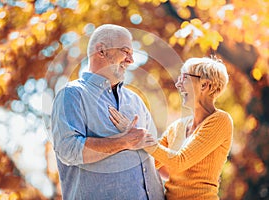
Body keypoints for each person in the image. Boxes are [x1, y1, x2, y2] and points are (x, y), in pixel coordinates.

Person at [50, 24, 164, 200]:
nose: (131, 60)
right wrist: (123, 141)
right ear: (101, 51)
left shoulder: (136, 101)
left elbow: (156, 158)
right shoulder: (72, 94)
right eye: (125, 51)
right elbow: (69, 150)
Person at [109, 57, 233, 200]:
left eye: (184, 78)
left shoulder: (220, 121)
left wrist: (140, 137)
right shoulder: (177, 127)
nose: (178, 84)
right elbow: (153, 162)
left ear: (204, 85)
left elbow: (180, 161)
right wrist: (126, 138)